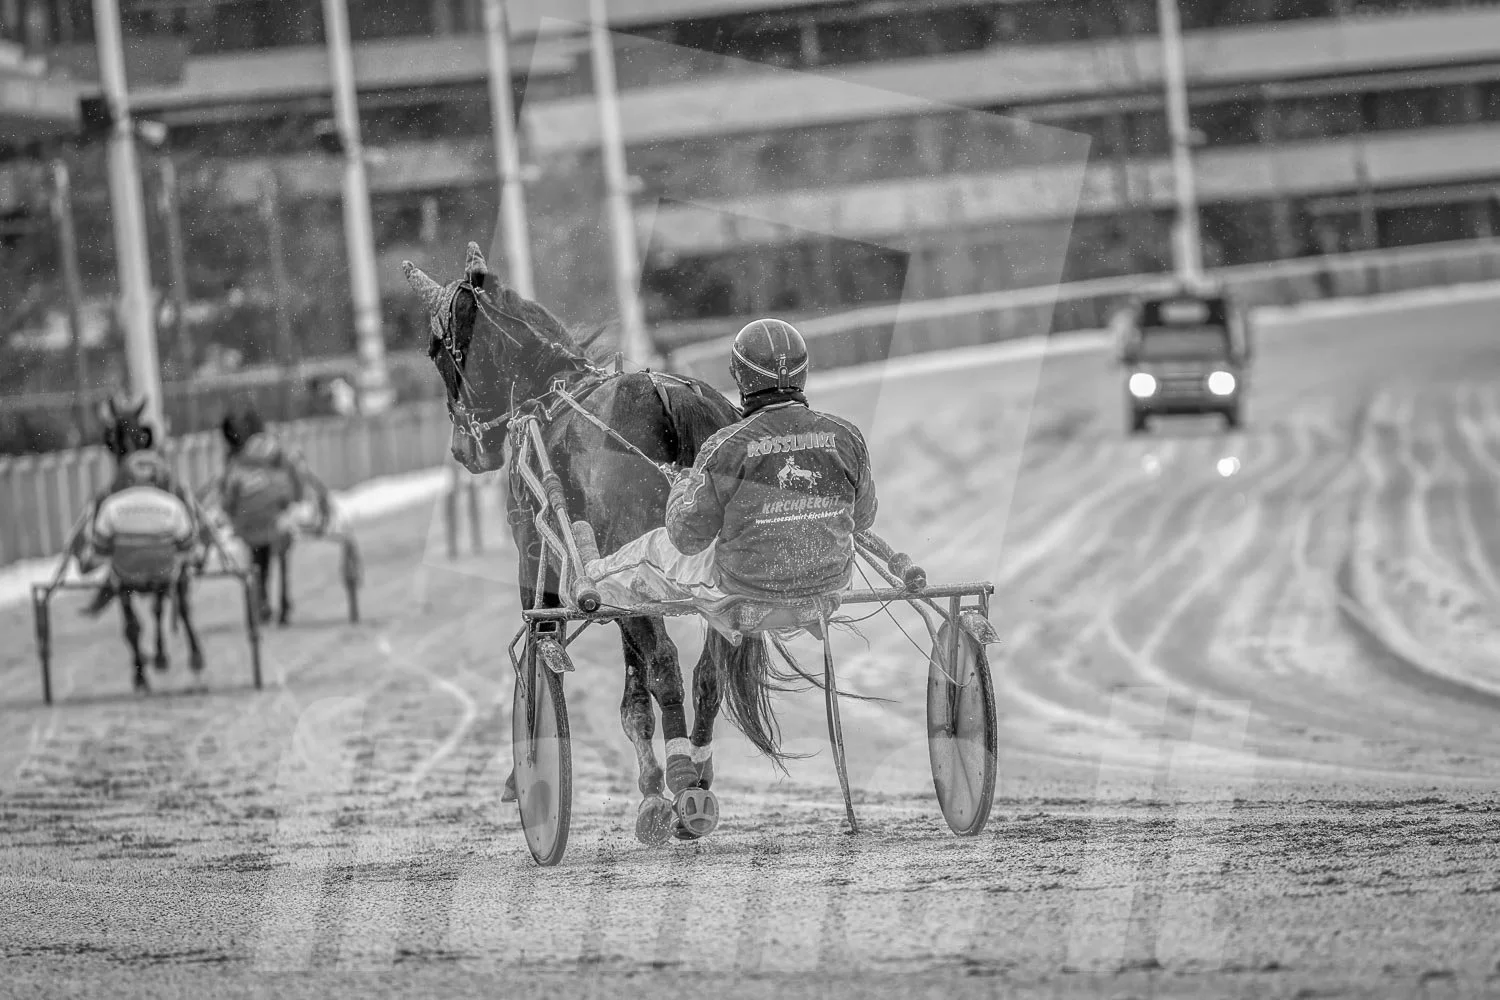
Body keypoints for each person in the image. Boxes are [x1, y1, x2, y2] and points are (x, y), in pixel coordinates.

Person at [583, 317, 878, 620]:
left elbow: (686, 538)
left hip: (743, 590)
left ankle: (592, 581)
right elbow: (864, 517)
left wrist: (683, 485)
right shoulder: (847, 435)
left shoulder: (725, 448)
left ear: (742, 377)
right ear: (802, 372)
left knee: (650, 548)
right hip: (830, 585)